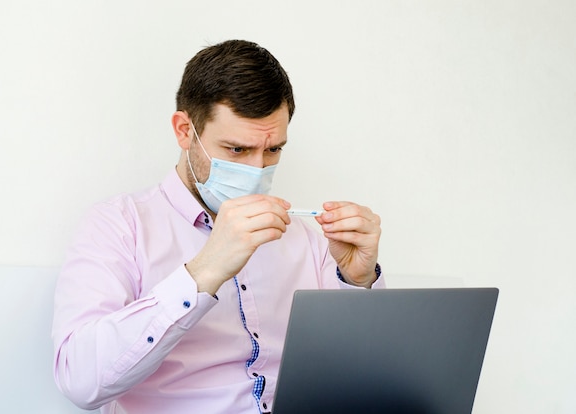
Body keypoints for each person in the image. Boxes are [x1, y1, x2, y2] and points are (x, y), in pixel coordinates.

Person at [52, 39, 384, 414]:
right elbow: (79, 382)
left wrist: (359, 284)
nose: (257, 170)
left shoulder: (308, 239)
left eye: (273, 150)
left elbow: (359, 378)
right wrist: (203, 272)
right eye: (237, 150)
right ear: (184, 131)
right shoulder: (118, 226)